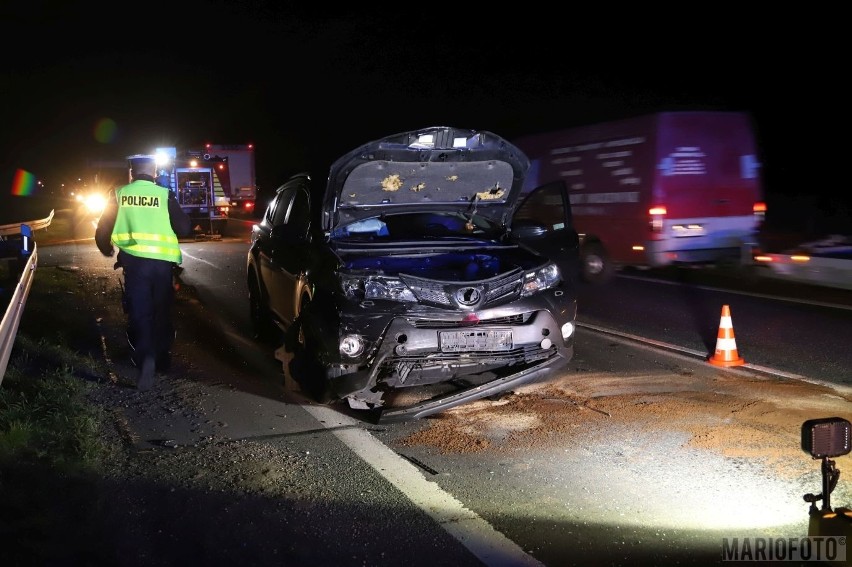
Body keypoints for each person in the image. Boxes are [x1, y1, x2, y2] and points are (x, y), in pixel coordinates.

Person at [95, 154, 191, 390]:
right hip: (162, 266)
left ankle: (145, 356)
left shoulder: (119, 195)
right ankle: (163, 356)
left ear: (131, 173)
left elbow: (102, 230)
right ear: (155, 173)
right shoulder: (164, 195)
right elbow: (184, 227)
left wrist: (107, 249)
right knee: (162, 310)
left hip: (135, 265)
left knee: (140, 312)